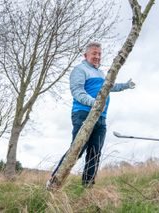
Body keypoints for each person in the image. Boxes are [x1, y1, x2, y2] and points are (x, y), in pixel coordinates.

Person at [47, 42, 135, 189]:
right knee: (77, 149)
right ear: (86, 55)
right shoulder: (79, 70)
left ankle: (87, 187)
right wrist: (95, 103)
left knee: (95, 153)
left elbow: (109, 87)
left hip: (101, 118)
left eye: (99, 54)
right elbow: (77, 91)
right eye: (94, 53)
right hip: (83, 114)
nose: (97, 56)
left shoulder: (101, 74)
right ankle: (54, 182)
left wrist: (125, 85)